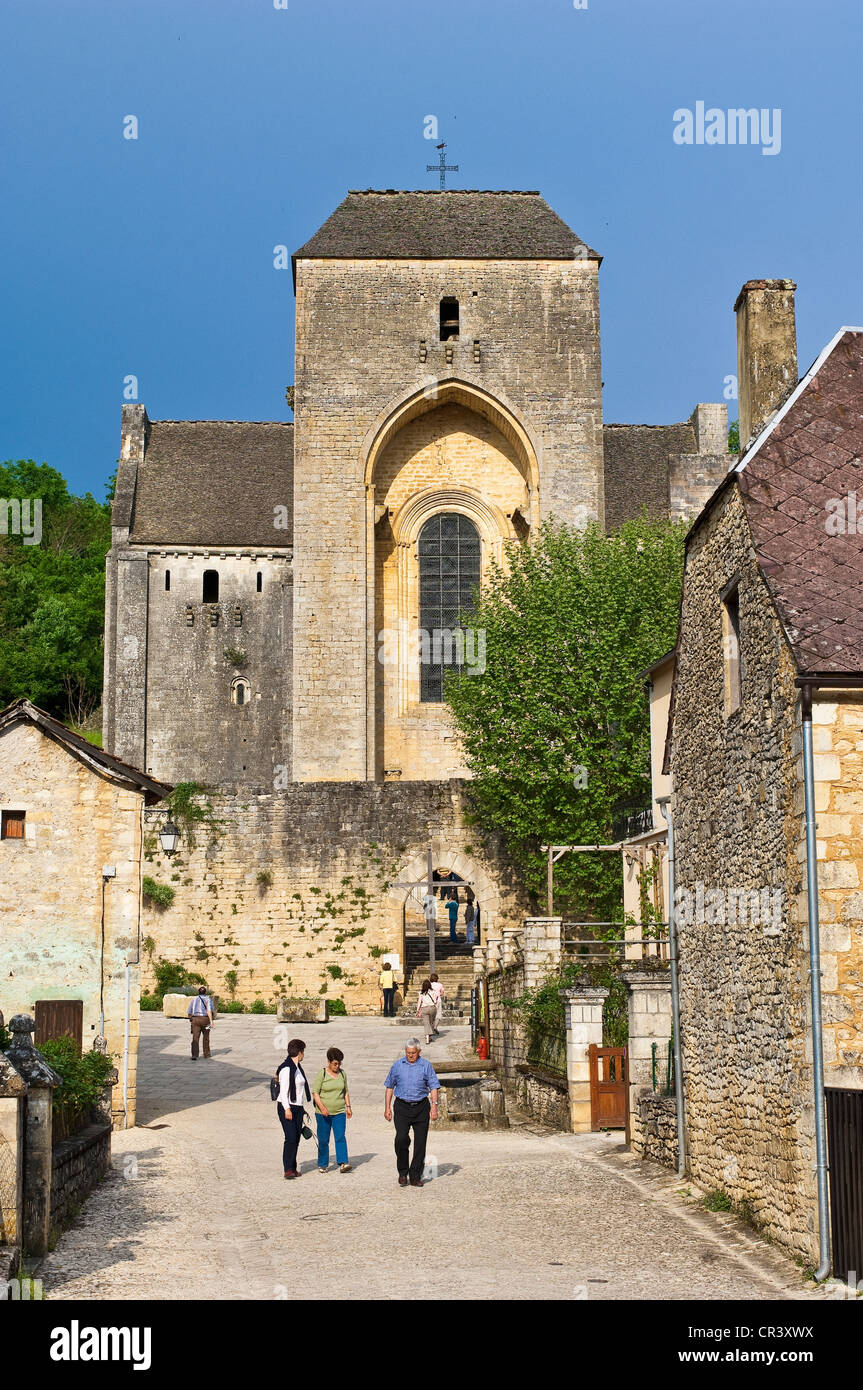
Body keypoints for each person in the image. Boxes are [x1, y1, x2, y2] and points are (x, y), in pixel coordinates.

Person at [384, 1039, 440, 1188]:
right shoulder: (397, 1065)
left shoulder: (426, 1065)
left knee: (420, 1143)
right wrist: (387, 1108)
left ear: (419, 1052)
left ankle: (415, 1176)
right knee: (401, 1138)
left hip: (421, 1106)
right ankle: (403, 1172)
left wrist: (434, 1106)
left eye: (413, 1053)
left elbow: (434, 1086)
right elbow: (389, 1087)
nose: (410, 1056)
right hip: (402, 1107)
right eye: (408, 1053)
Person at [312, 1047, 352, 1173]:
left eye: (339, 1063)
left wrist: (348, 1107)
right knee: (323, 1139)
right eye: (335, 1063)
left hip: (339, 1111)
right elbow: (315, 1093)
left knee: (340, 1136)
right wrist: (322, 1108)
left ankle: (343, 1162)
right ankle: (323, 1163)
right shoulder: (322, 1074)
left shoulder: (342, 1074)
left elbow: (345, 1091)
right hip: (323, 1113)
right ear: (328, 1062)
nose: (337, 1066)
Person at [275, 1038, 310, 1179]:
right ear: (300, 1052)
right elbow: (283, 1092)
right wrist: (287, 1109)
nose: (304, 1055)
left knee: (296, 1138)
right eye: (303, 1052)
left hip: (298, 1107)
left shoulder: (297, 1068)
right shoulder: (287, 1068)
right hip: (286, 1107)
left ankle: (293, 1167)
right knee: (290, 1137)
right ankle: (288, 1169)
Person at [187, 985, 214, 1060]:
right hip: (206, 1020)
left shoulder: (194, 999)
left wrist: (191, 1019)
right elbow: (209, 1011)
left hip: (195, 1020)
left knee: (195, 1037)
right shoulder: (208, 1000)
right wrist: (211, 1021)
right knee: (206, 1036)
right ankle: (207, 1054)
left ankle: (194, 1055)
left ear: (198, 992)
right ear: (205, 992)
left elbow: (189, 1011)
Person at [417, 979, 437, 1045]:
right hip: (432, 1008)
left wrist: (418, 1010)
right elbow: (435, 1001)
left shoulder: (421, 993)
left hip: (424, 1008)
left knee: (426, 1023)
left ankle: (427, 1038)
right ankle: (429, 1036)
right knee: (431, 1022)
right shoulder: (433, 991)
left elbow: (419, 1002)